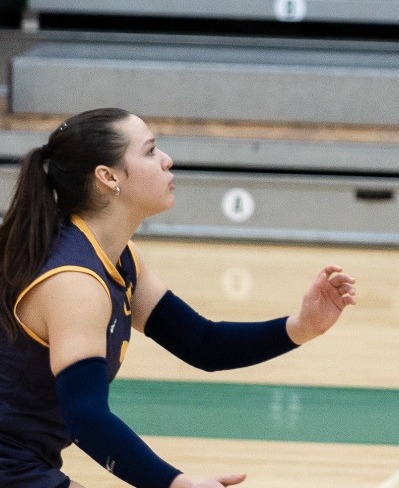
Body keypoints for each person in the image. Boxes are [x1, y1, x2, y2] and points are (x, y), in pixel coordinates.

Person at [0, 109, 358, 488]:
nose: (167, 160)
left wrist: (301, 328)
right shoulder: (76, 283)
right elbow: (86, 418)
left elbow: (202, 343)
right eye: (151, 151)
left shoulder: (119, 257)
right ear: (108, 177)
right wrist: (175, 482)